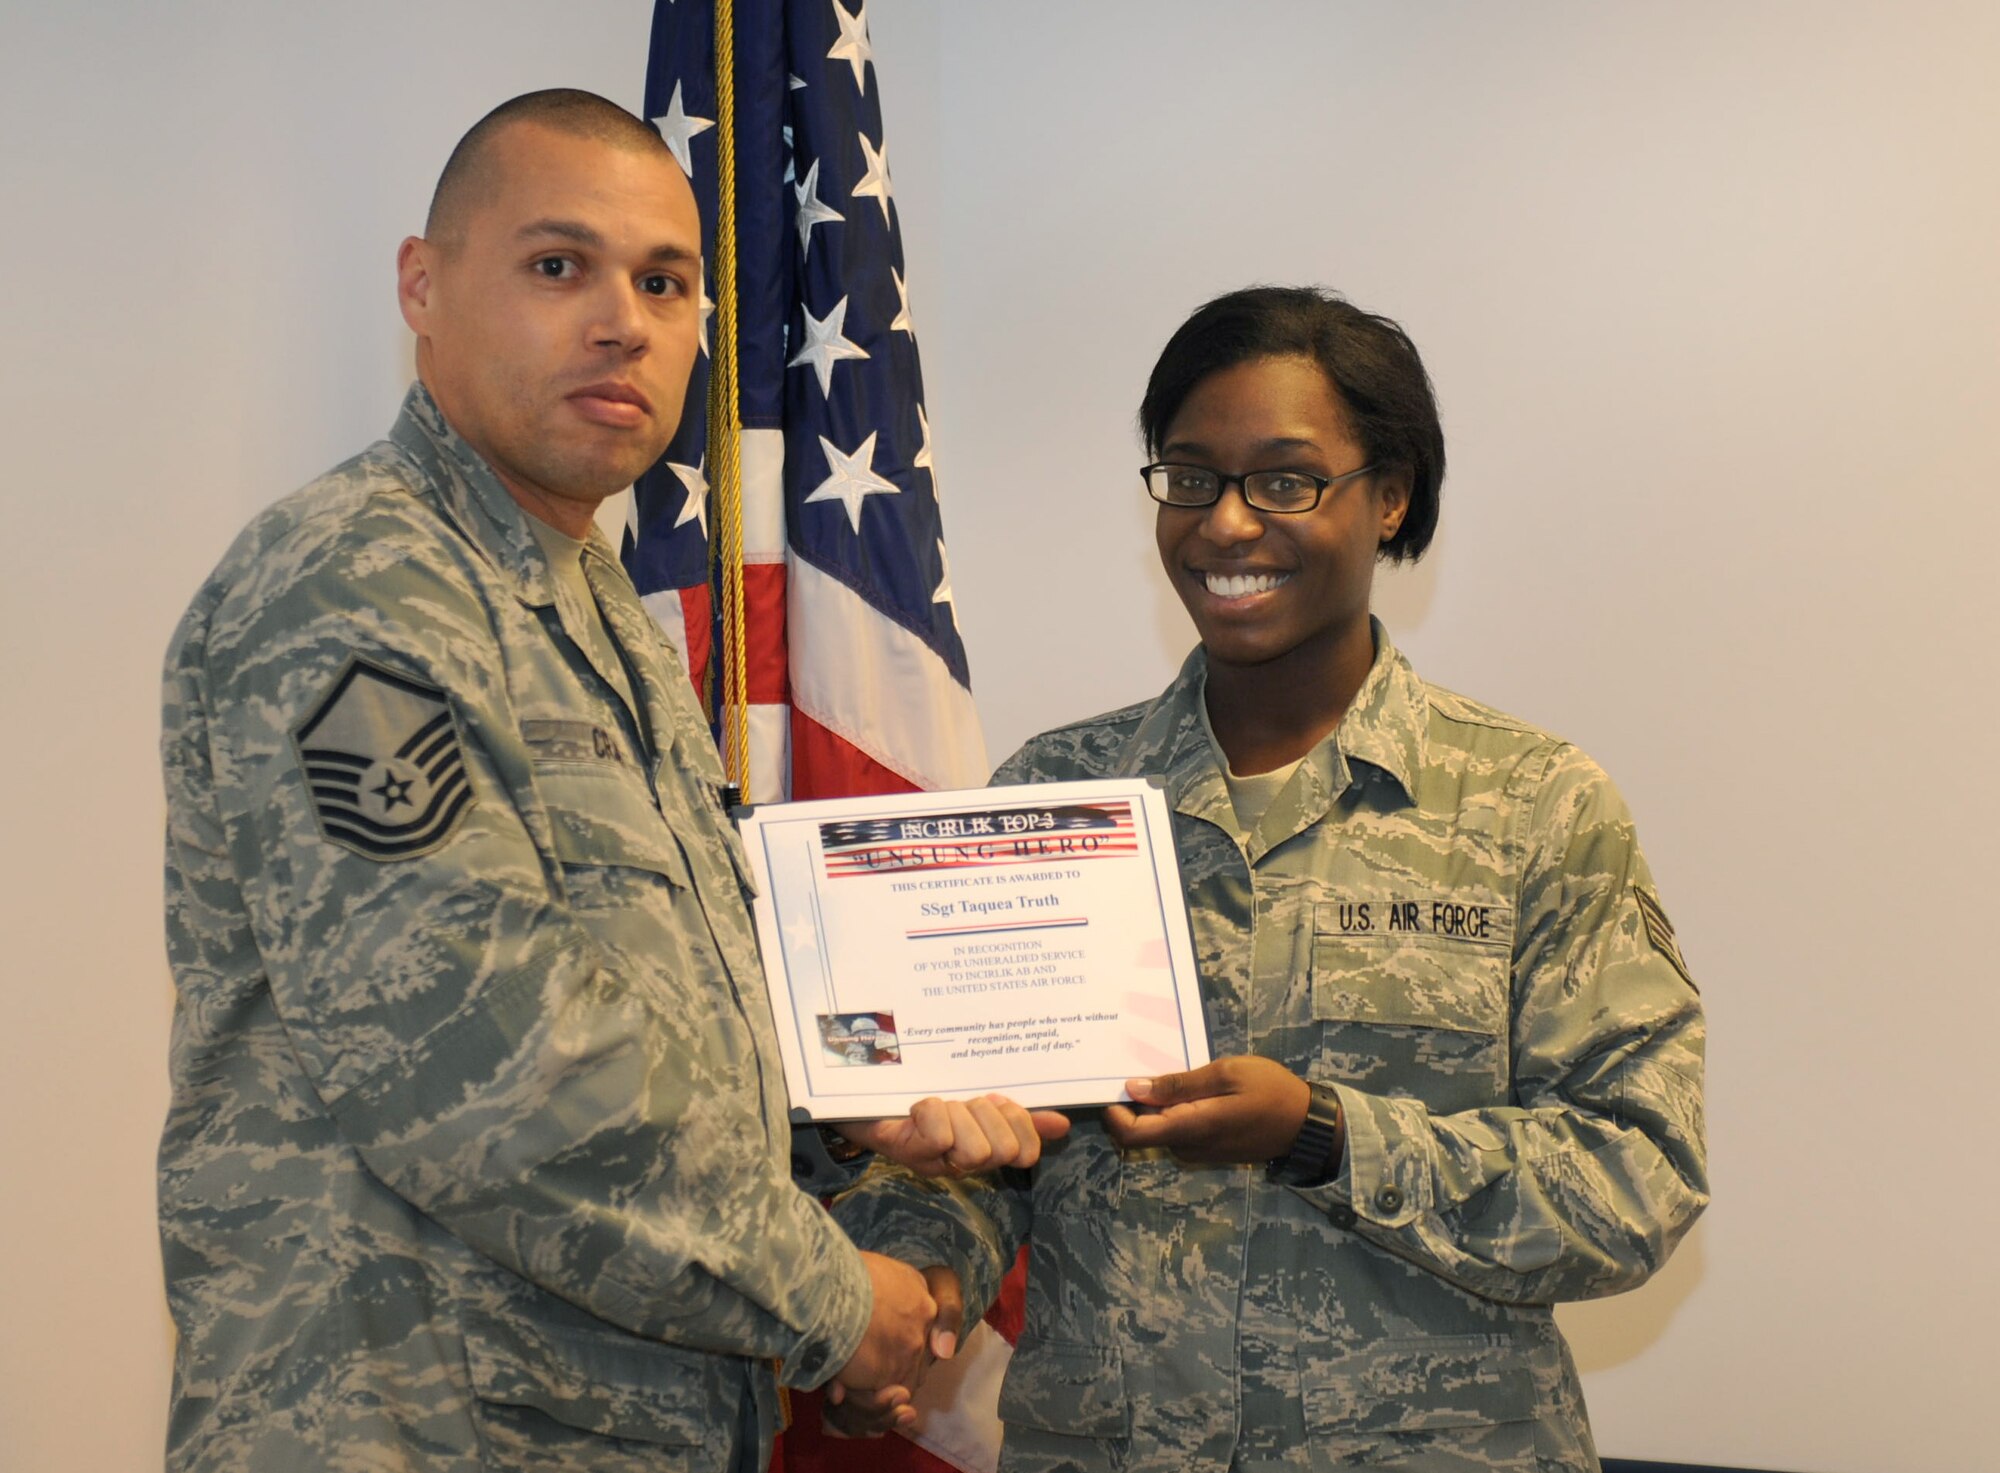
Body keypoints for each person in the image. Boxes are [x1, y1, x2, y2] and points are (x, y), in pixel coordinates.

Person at [158, 89, 1056, 1473]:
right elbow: (479, 1056)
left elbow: (683, 1032)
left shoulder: (601, 623)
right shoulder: (358, 583)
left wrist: (866, 1104)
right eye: (557, 265)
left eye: (666, 281)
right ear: (424, 283)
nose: (622, 320)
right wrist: (833, 1303)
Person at [830, 287, 1709, 1471]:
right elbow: (983, 1150)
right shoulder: (1060, 791)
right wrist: (902, 1295)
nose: (1227, 525)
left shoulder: (1532, 807)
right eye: (1189, 477)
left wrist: (1325, 1136)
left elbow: (1634, 1178)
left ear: (1388, 495)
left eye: (1286, 481)